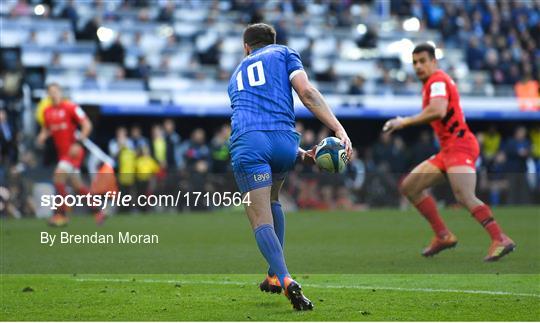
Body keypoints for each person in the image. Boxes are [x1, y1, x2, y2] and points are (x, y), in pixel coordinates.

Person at [227, 23, 352, 310]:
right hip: (284, 142)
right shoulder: (284, 53)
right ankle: (272, 275)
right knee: (274, 201)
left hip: (250, 144)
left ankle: (285, 279)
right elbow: (306, 93)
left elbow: (252, 116)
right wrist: (337, 129)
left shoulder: (235, 76)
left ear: (246, 47)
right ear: (273, 41)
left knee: (260, 218)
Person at [382, 43, 515, 262]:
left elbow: (438, 110)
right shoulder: (432, 84)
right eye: (415, 62)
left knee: (464, 195)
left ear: (434, 62)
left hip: (460, 145)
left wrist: (403, 122)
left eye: (423, 61)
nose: (418, 66)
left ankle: (500, 238)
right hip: (448, 150)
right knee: (410, 186)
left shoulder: (437, 81)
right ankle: (443, 235)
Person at [36, 83, 105, 226]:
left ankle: (61, 215)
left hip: (73, 152)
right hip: (62, 154)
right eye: (51, 92)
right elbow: (47, 128)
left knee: (58, 177)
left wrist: (78, 143)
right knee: (77, 186)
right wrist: (42, 136)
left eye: (56, 91)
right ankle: (98, 211)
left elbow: (87, 125)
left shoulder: (70, 107)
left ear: (61, 92)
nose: (54, 94)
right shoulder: (47, 112)